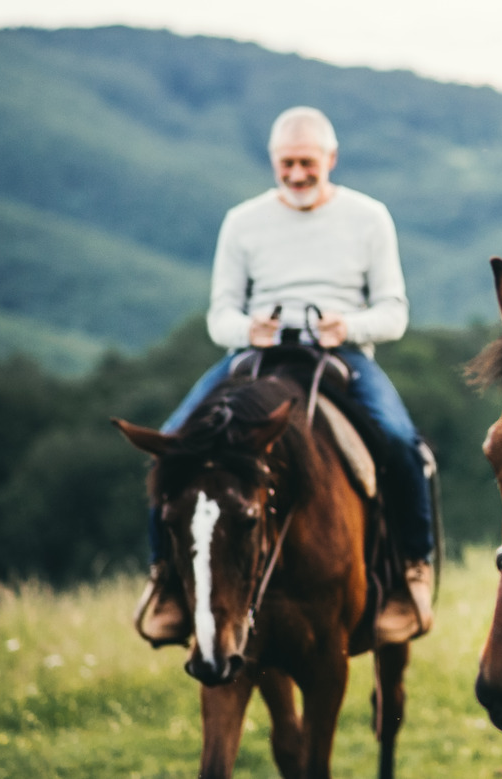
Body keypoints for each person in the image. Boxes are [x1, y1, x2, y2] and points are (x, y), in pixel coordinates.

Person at [137, 106, 435, 647]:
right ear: (273, 162)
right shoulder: (243, 221)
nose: (297, 175)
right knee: (171, 444)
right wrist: (248, 328)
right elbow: (219, 314)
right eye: (286, 164)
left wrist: (349, 325)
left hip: (343, 357)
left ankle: (413, 572)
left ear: (331, 160)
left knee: (399, 441)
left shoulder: (369, 217)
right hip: (257, 356)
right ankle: (166, 582)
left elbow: (394, 313)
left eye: (307, 163)